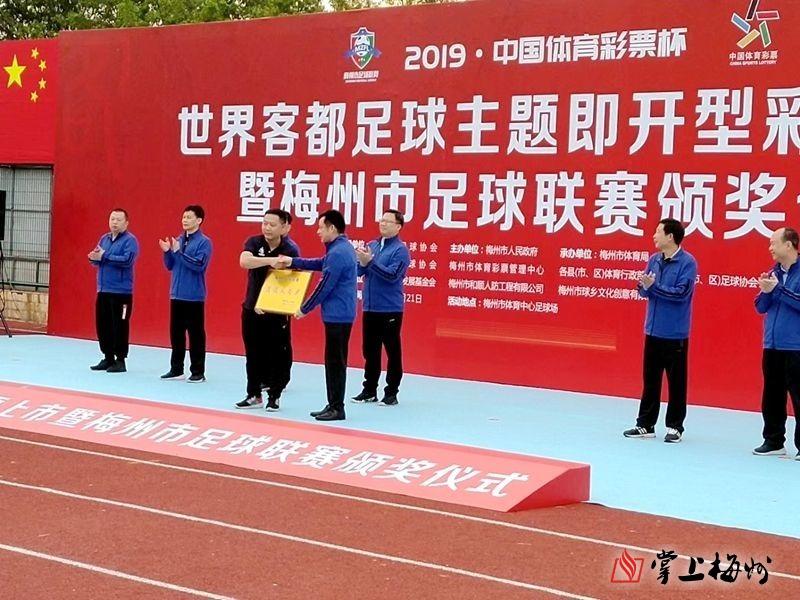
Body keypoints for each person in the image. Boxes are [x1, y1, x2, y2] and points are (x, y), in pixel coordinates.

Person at [276, 209, 357, 421]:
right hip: (339, 314)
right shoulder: (339, 249)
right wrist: (293, 262)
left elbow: (324, 286)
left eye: (321, 227)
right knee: (334, 361)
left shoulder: (338, 252)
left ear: (332, 228)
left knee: (335, 362)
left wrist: (304, 308)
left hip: (338, 315)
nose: (318, 232)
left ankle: (337, 408)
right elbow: (320, 263)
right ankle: (333, 404)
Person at [624, 218, 697, 443]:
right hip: (653, 331)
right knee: (650, 381)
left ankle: (675, 426)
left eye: (658, 232)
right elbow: (644, 291)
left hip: (675, 334)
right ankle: (645, 424)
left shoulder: (687, 262)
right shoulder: (654, 260)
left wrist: (653, 287)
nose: (654, 236)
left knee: (676, 383)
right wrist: (643, 286)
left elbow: (681, 294)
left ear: (670, 236)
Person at [234, 209, 300, 411]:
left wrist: (273, 304)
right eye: (264, 223)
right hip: (252, 307)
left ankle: (274, 395)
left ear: (284, 227)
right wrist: (269, 261)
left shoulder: (290, 249)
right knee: (252, 352)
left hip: (276, 310)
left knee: (278, 353)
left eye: (272, 224)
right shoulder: (254, 242)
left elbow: (292, 279)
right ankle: (253, 394)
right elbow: (244, 261)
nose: (267, 228)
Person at [351, 209, 411, 406]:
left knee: (392, 351)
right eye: (381, 220)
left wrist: (371, 262)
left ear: (398, 226)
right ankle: (369, 390)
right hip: (370, 307)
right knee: (370, 351)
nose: (383, 224)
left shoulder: (400, 250)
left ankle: (391, 392)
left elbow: (392, 276)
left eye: (388, 221)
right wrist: (361, 261)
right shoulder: (372, 245)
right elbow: (360, 270)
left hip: (390, 309)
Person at [753, 227, 800, 459]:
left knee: (798, 396)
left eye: (774, 243)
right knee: (772, 395)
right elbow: (760, 307)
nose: (770, 247)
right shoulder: (773, 272)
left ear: (788, 245)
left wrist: (778, 290)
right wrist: (766, 291)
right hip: (772, 345)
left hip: (796, 346)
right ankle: (773, 441)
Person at [159, 205, 212, 383]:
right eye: (183, 217)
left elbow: (198, 265)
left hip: (194, 296)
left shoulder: (204, 242)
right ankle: (176, 369)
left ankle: (197, 372)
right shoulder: (179, 240)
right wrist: (167, 252)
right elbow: (170, 265)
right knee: (176, 334)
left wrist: (178, 252)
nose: (185, 220)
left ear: (199, 220)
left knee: (196, 335)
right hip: (176, 294)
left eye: (189, 217)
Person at [88, 208, 140, 373]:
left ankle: (120, 360)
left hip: (122, 293)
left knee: (120, 325)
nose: (114, 222)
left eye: (118, 219)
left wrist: (104, 256)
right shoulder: (104, 238)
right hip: (103, 290)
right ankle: (108, 357)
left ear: (126, 223)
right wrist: (94, 258)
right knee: (103, 325)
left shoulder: (130, 241)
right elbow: (98, 257)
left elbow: (127, 260)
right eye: (112, 219)